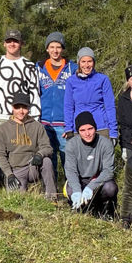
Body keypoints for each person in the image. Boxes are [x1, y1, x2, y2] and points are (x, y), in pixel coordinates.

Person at [0, 92, 57, 201]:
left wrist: (39, 154)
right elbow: (0, 155)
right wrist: (9, 174)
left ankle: (51, 197)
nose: (21, 111)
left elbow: (48, 147)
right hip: (16, 170)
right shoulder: (3, 128)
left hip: (33, 166)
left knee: (47, 161)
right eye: (17, 107)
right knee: (17, 200)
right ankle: (22, 189)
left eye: (24, 107)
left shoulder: (37, 126)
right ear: (12, 108)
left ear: (29, 109)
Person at [0, 29, 41, 141]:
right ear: (4, 43)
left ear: (21, 43)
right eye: (9, 41)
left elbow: (34, 94)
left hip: (22, 120)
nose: (12, 44)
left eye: (15, 41)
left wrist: (35, 120)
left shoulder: (29, 66)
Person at [63, 111, 118, 214]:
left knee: (110, 188)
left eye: (90, 129)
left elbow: (108, 171)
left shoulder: (105, 144)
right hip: (80, 179)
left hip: (98, 179)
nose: (87, 133)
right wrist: (77, 190)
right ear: (78, 132)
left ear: (95, 128)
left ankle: (106, 210)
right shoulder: (71, 145)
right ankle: (79, 208)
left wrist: (91, 187)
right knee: (71, 190)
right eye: (82, 130)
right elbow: (70, 171)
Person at [37, 32, 76, 170]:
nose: (55, 50)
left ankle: (71, 189)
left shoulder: (72, 68)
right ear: (47, 49)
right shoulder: (39, 68)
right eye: (52, 47)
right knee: (49, 159)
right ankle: (52, 191)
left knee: (69, 160)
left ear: (62, 49)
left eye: (58, 47)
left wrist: (72, 124)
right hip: (44, 123)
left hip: (65, 124)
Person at [64, 47, 117, 141]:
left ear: (94, 62)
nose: (86, 65)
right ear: (78, 63)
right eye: (83, 61)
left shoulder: (103, 80)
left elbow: (110, 107)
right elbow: (68, 107)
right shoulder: (71, 81)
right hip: (80, 128)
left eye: (89, 61)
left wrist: (113, 132)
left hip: (101, 128)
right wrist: (69, 129)